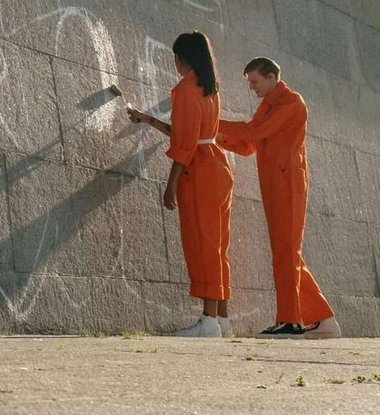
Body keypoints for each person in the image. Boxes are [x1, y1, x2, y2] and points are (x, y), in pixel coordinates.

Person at [217, 58, 339, 339]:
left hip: (288, 184)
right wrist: (215, 134)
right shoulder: (270, 105)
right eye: (250, 83)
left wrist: (211, 121)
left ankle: (290, 321)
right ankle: (322, 318)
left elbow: (254, 132)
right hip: (276, 184)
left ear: (271, 77)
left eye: (255, 82)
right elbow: (249, 146)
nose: (252, 88)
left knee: (286, 252)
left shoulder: (291, 102)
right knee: (288, 253)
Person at [126, 31, 234, 337]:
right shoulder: (209, 87)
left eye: (175, 56)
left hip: (199, 171)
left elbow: (184, 145)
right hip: (217, 165)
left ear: (182, 58)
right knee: (218, 244)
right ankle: (222, 319)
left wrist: (170, 184)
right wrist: (147, 119)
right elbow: (188, 133)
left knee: (202, 244)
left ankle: (208, 321)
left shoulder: (186, 90)